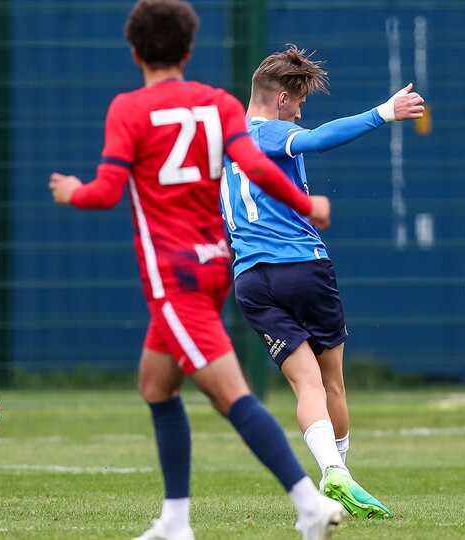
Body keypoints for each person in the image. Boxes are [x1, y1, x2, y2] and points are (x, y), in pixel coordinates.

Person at [48, 2, 346, 539]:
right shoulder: (216, 102)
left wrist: (73, 192)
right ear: (188, 50)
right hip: (214, 264)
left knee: (230, 395)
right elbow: (256, 165)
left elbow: (107, 192)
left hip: (174, 275)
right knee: (157, 386)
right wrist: (308, 205)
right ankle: (175, 521)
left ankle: (311, 503)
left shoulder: (128, 109)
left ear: (135, 51)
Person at [220, 45, 425, 519]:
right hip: (301, 268)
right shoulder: (270, 132)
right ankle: (340, 474)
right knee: (331, 383)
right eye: (300, 103)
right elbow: (314, 141)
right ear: (283, 99)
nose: (301, 113)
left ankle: (334, 474)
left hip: (250, 280)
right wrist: (383, 113)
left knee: (304, 386)